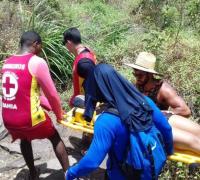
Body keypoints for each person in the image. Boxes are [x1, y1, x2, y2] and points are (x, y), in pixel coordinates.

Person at [65, 63, 173, 180]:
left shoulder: (106, 122)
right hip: (149, 169)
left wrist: (70, 173)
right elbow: (166, 128)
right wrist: (169, 152)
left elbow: (92, 162)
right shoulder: (144, 100)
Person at [1, 31, 69, 180]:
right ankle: (69, 175)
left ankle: (33, 174)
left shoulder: (7, 62)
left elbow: (28, 95)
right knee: (54, 136)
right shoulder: (36, 62)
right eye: (40, 46)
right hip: (29, 119)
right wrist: (58, 114)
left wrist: (49, 107)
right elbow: (52, 95)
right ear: (35, 44)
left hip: (8, 119)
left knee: (24, 138)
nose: (41, 50)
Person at [125, 52, 200, 154]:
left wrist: (160, 113)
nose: (137, 77)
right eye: (135, 74)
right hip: (152, 128)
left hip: (165, 120)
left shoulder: (163, 89)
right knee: (192, 141)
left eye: (140, 75)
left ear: (150, 74)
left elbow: (185, 110)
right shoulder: (136, 87)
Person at [63, 27, 96, 154]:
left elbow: (92, 86)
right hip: (84, 95)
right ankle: (86, 140)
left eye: (66, 44)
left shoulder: (85, 60)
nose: (66, 48)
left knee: (78, 106)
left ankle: (88, 146)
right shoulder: (86, 52)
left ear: (69, 43)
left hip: (88, 98)